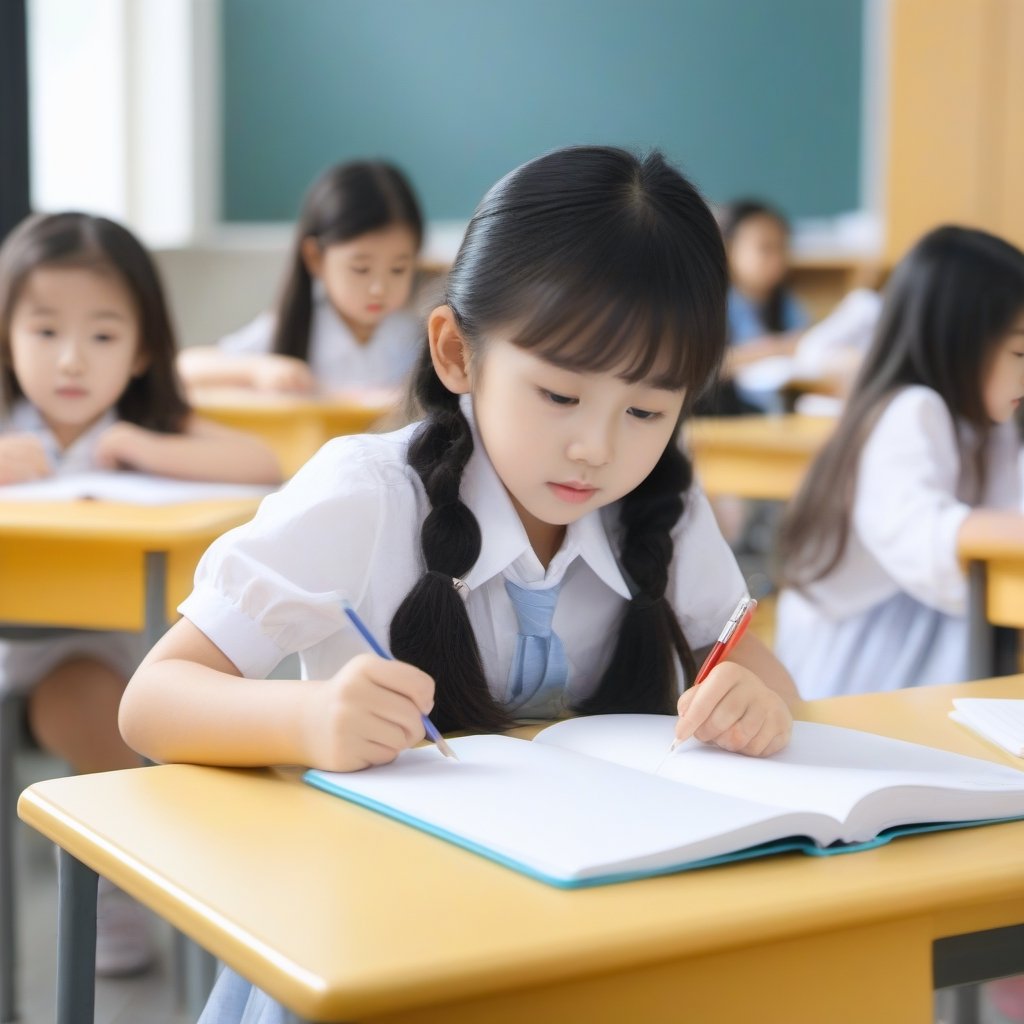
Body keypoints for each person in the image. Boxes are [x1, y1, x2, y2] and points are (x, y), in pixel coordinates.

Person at [120, 146, 797, 1022]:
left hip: (580, 934)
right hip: (368, 940)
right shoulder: (365, 495)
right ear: (457, 352)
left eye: (646, 411)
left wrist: (759, 701)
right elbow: (152, 701)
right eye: (560, 396)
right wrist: (309, 719)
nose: (598, 446)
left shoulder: (659, 505)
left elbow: (755, 668)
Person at [0, 211, 282, 975]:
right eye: (44, 330)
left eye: (101, 335)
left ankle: (132, 885)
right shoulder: (9, 428)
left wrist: (141, 447)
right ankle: (128, 881)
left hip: (120, 658)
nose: (70, 359)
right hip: (21, 658)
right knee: (95, 708)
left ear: (141, 349)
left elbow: (261, 462)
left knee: (124, 717)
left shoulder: (144, 425)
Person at [774, 225, 1024, 700]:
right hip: (857, 649)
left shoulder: (990, 425)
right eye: (1019, 351)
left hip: (918, 620)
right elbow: (923, 532)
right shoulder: (911, 409)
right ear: (960, 341)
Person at [177, 160, 424, 395]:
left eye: (398, 269)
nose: (379, 289)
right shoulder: (298, 325)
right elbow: (184, 367)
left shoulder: (411, 333)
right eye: (360, 269)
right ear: (315, 258)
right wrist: (258, 370)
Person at [697, 198, 810, 416]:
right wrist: (775, 348)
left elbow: (808, 346)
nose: (777, 259)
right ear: (728, 248)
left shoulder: (787, 304)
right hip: (723, 420)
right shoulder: (709, 306)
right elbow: (701, 369)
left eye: (782, 247)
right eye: (765, 248)